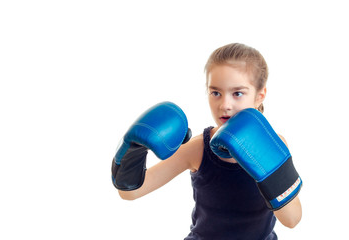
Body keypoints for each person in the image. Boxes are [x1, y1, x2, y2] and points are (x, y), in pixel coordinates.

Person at [112, 43, 302, 239]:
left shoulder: (274, 143)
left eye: (237, 93)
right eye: (216, 93)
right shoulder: (198, 148)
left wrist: (271, 173)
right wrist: (134, 150)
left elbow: (292, 219)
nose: (225, 105)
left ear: (260, 95)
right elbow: (130, 193)